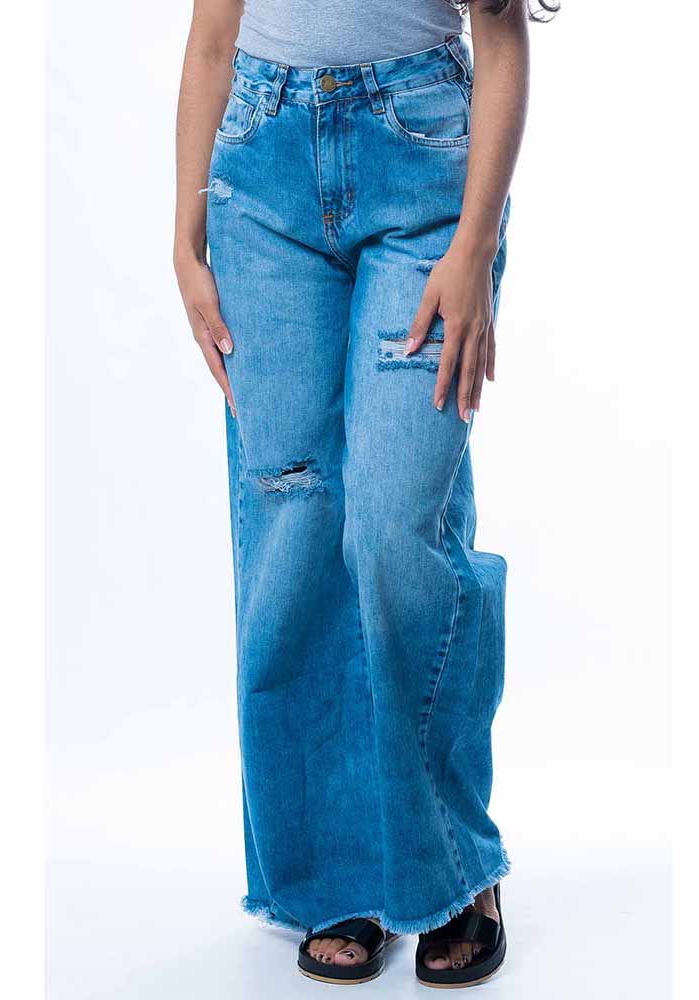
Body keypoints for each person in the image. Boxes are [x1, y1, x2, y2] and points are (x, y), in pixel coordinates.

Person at [173, 0, 557, 988]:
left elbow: (500, 34)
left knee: (394, 526)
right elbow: (213, 33)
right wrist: (185, 237)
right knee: (295, 525)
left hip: (421, 158)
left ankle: (450, 864)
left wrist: (473, 248)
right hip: (260, 173)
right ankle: (338, 869)